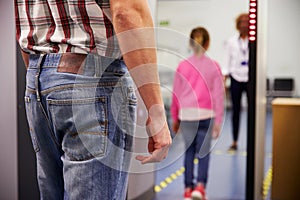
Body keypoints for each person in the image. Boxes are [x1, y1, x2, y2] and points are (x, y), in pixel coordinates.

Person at [14, 0, 172, 199]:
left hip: (38, 79)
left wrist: (44, 78)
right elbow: (127, 12)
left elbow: (22, 24)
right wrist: (156, 111)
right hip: (93, 79)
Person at [171, 27, 224, 200]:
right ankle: (200, 188)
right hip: (206, 115)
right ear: (207, 44)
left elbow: (176, 94)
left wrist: (174, 117)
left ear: (190, 44)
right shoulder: (214, 66)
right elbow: (218, 95)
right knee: (203, 152)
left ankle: (187, 188)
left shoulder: (182, 66)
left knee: (188, 151)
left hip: (187, 116)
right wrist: (219, 120)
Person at [222, 13, 249, 151]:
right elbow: (227, 61)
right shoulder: (232, 42)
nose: (244, 24)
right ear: (238, 24)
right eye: (242, 22)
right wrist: (224, 79)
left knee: (253, 111)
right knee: (236, 111)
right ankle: (234, 141)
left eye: (247, 21)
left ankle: (252, 140)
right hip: (236, 78)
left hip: (250, 79)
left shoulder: (254, 41)